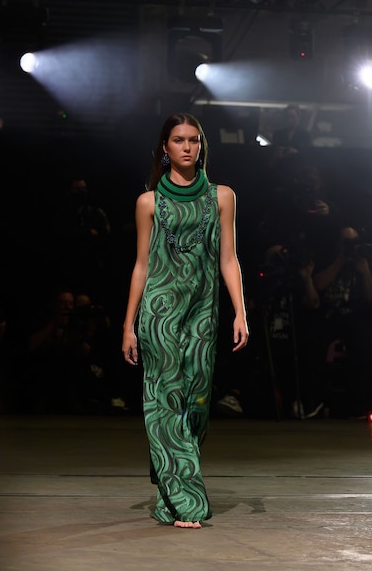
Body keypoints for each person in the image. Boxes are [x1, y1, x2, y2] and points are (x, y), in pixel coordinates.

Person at [121, 112, 250, 529]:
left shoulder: (221, 197)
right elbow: (141, 265)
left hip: (202, 313)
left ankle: (167, 494)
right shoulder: (148, 202)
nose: (188, 147)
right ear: (165, 148)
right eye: (178, 140)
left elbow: (229, 258)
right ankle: (187, 502)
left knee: (195, 403)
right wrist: (128, 325)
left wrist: (240, 311)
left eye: (194, 140)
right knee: (165, 400)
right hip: (159, 313)